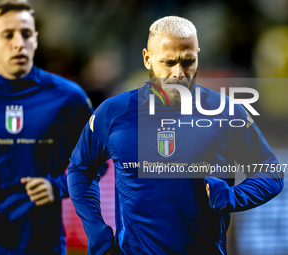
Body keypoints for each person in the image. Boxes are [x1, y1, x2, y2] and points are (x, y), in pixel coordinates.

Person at [67, 16, 284, 255]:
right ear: (147, 59)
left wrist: (234, 196)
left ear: (198, 55)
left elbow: (271, 172)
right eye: (169, 62)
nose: (179, 73)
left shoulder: (227, 112)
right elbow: (81, 169)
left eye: (188, 61)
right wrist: (98, 235)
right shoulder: (113, 113)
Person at [0, 0, 93, 254]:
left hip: (42, 246)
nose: (19, 43)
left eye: (26, 34)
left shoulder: (70, 98)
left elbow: (96, 161)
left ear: (35, 39)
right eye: (8, 35)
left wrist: (58, 186)